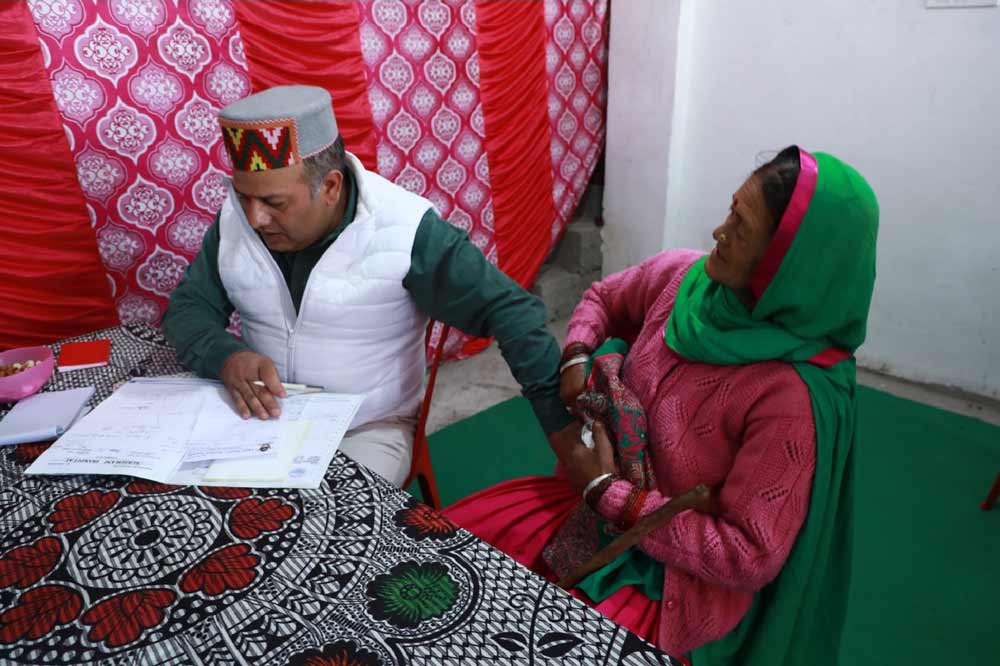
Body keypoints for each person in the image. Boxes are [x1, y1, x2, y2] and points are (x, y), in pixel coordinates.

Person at [445, 146, 879, 665]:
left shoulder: (789, 398)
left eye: (741, 228)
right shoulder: (687, 281)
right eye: (731, 211)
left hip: (669, 579)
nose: (720, 232)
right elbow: (604, 298)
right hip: (587, 510)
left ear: (787, 266)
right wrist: (577, 354)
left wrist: (609, 493)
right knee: (446, 569)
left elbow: (747, 556)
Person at [162, 85, 571, 487]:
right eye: (242, 197)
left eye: (274, 203)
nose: (255, 219)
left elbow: (511, 310)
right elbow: (187, 309)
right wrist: (226, 357)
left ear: (330, 186)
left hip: (368, 428)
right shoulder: (235, 221)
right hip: (262, 420)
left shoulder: (404, 228)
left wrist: (565, 435)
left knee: (325, 526)